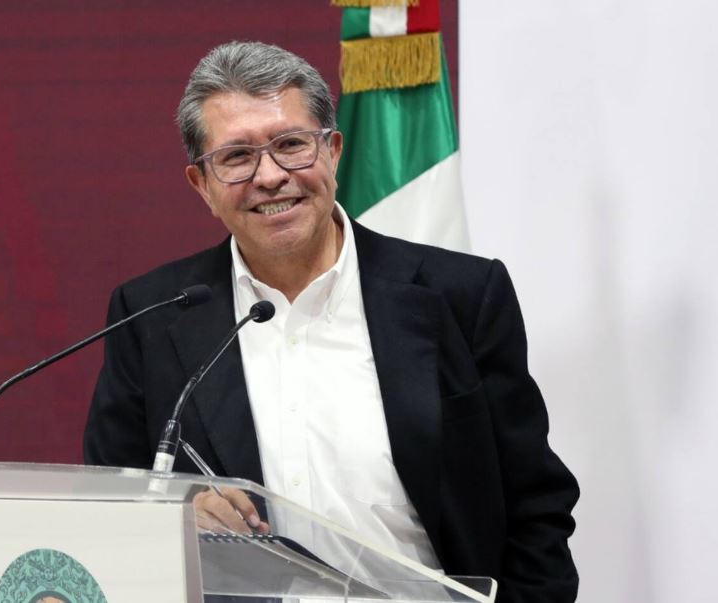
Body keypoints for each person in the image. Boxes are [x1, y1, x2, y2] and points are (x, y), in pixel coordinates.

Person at [84, 41, 579, 602]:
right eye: (237, 157)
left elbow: (535, 503)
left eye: (291, 145)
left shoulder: (460, 296)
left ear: (333, 151)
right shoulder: (152, 315)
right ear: (202, 184)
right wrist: (174, 516)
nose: (270, 176)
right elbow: (113, 504)